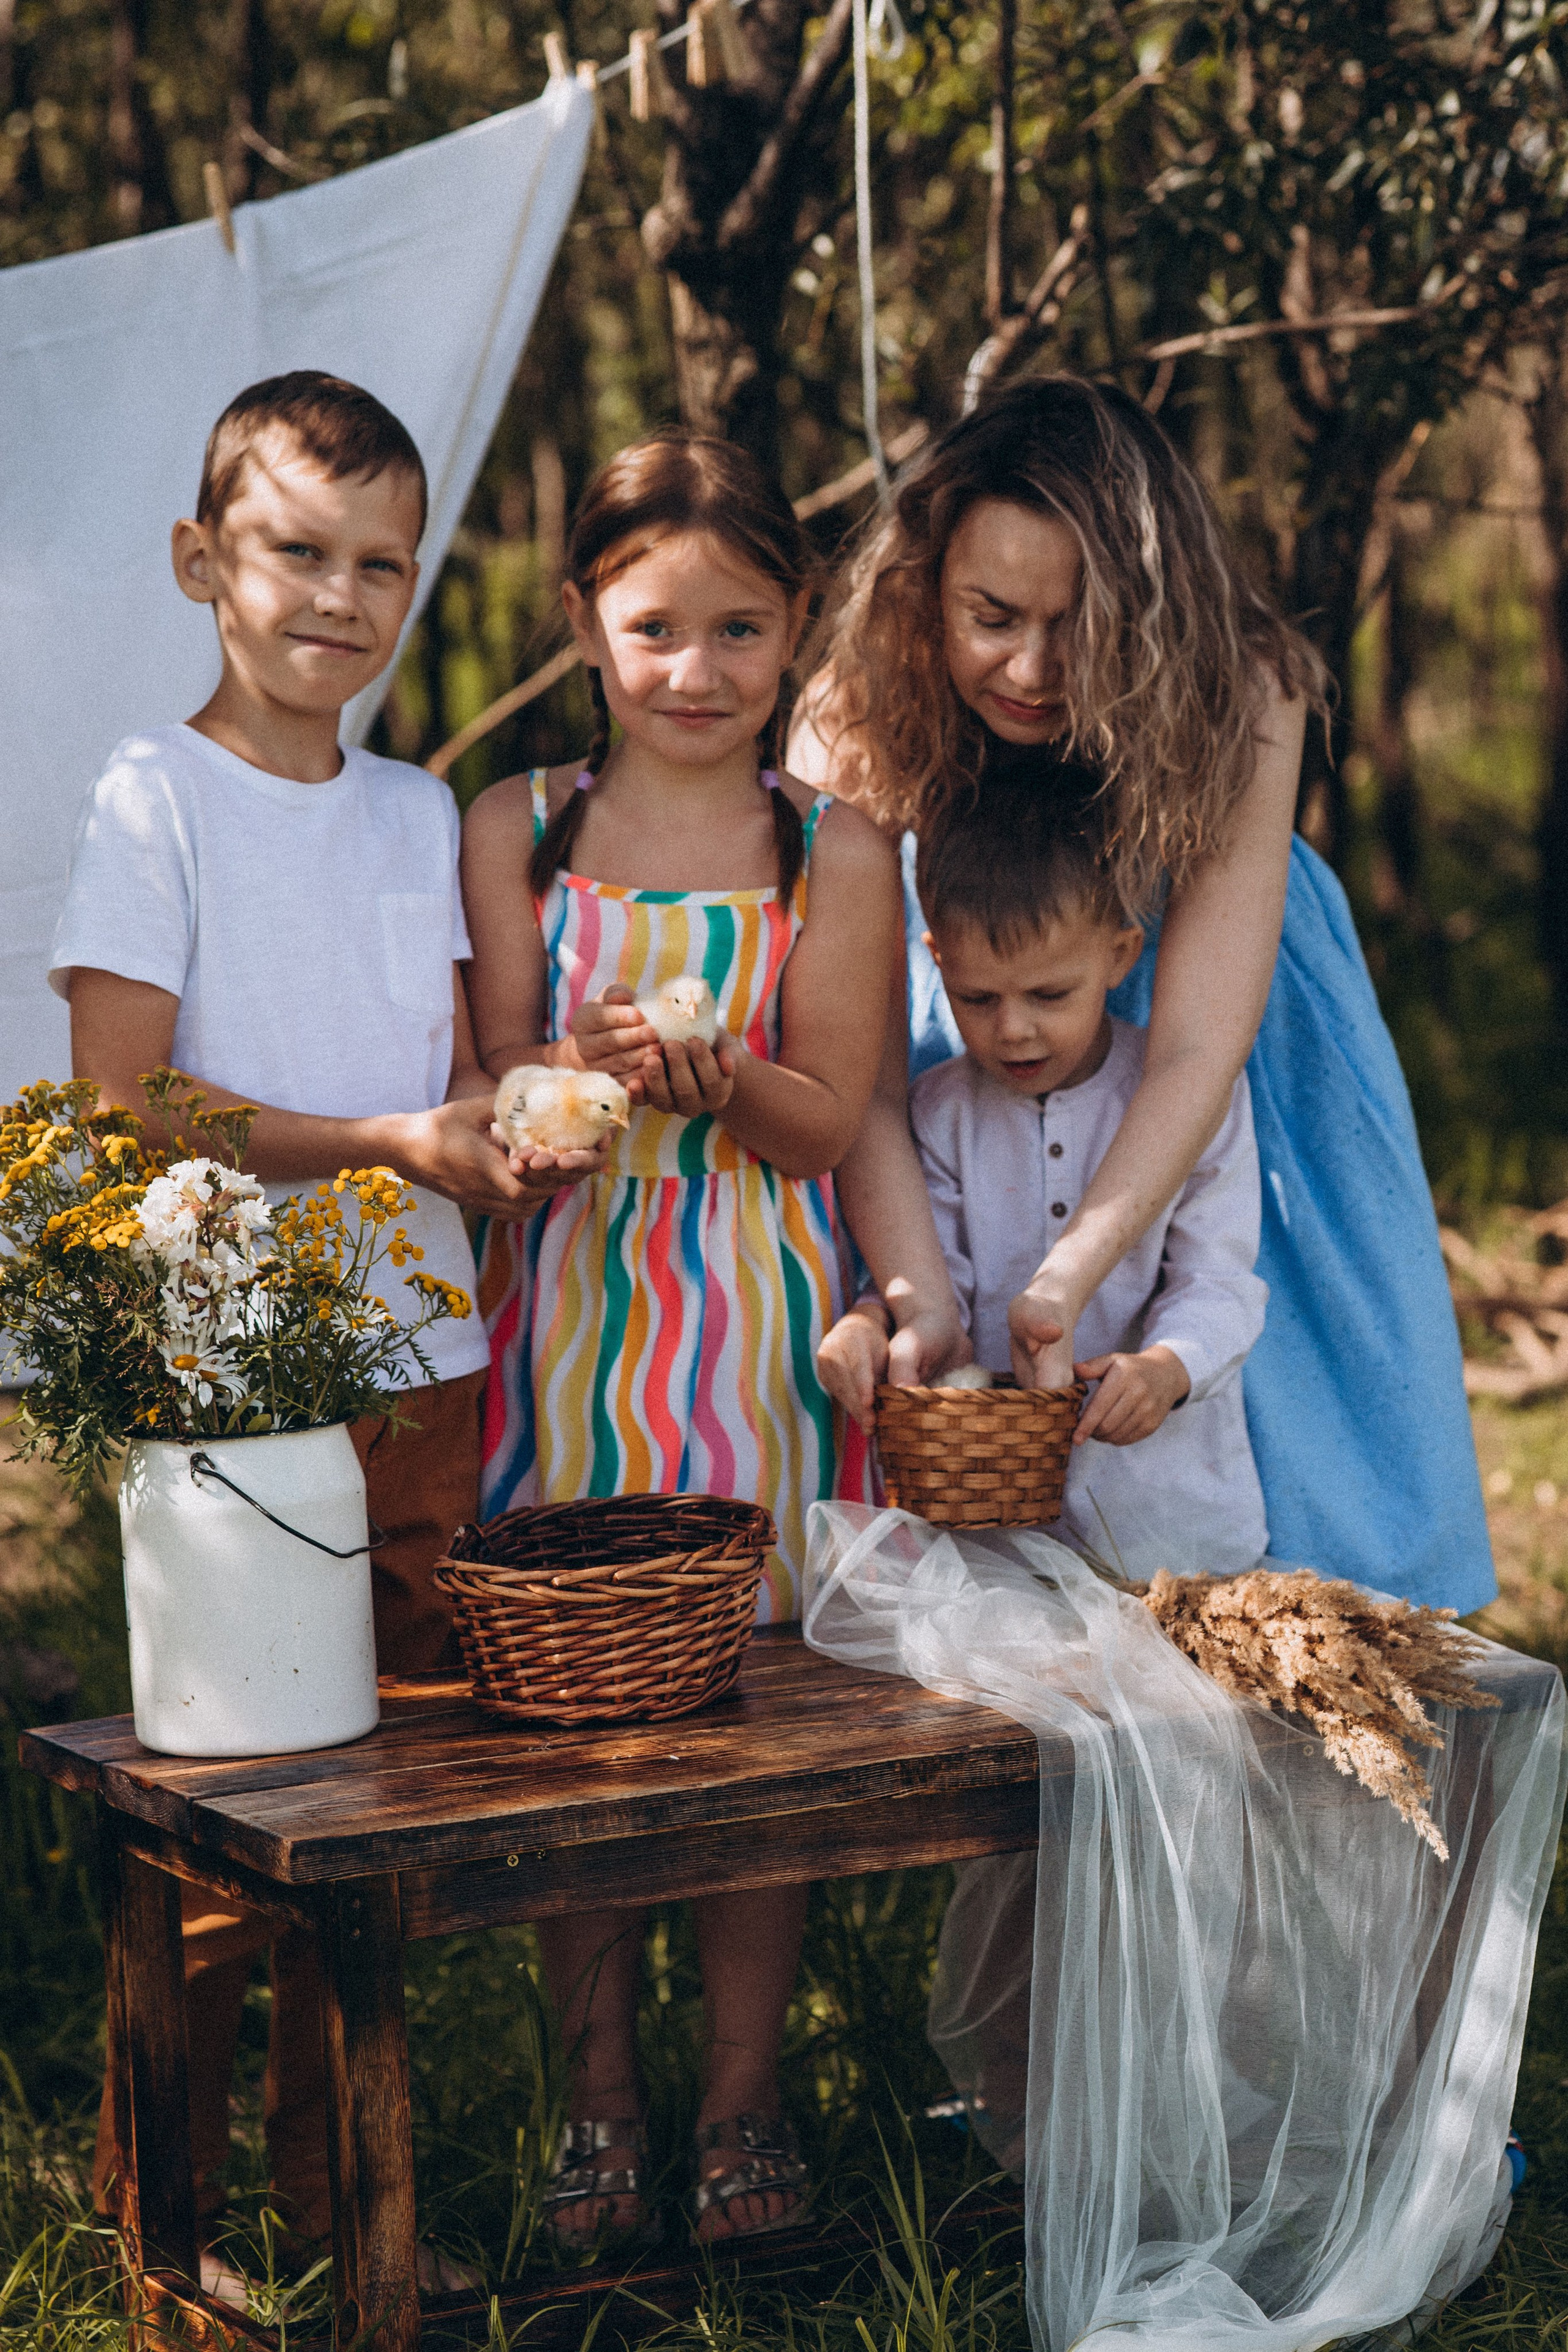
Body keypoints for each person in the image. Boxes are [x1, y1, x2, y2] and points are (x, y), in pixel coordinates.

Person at [49, 371, 592, 2286]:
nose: (338, 597)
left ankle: (348, 2198)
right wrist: (382, 1142)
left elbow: (441, 1073)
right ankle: (160, 2214)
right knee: (234, 1805)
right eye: (294, 549)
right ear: (204, 559)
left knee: (393, 1811)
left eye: (381, 562)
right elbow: (124, 1104)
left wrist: (505, 1134)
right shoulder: (150, 794)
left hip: (423, 1377)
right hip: (234, 1393)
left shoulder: (417, 806)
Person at [795, 374, 1494, 1617]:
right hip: (954, 1064)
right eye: (991, 615)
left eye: (1080, 625)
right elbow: (847, 1060)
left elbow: (1192, 1054)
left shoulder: (1247, 686)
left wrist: (1066, 1279)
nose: (1029, 666)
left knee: (1286, 1485)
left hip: (1223, 1073)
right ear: (929, 592)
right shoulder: (860, 696)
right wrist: (924, 1299)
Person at [461, 431, 900, 2242]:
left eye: (738, 631)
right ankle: (597, 2106)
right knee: (581, 1723)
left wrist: (729, 1085)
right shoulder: (520, 828)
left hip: (760, 1332)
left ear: (796, 630)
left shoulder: (833, 845)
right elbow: (495, 1089)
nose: (696, 673)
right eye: (655, 630)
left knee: (746, 1716)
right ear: (583, 625)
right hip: (570, 1316)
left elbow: (836, 1118)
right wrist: (567, 1077)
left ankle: (740, 2102)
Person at [821, 763, 1269, 1580]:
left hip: (1168, 1526)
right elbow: (937, 1288)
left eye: (1049, 994)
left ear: (1121, 954)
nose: (1014, 1031)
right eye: (978, 998)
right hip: (991, 1534)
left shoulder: (1186, 1098)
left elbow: (1221, 1276)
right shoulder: (940, 1111)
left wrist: (1170, 1368)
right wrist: (870, 1322)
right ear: (936, 960)